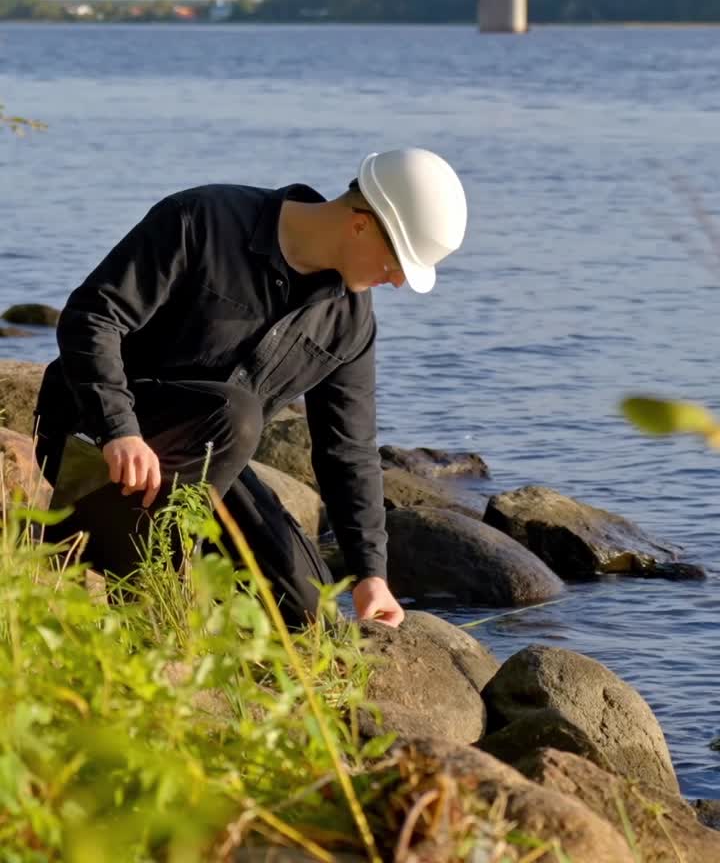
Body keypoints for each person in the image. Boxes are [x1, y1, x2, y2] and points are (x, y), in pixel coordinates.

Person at [34, 147, 467, 629]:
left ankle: (157, 567)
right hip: (92, 437)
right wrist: (119, 427)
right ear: (361, 222)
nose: (400, 280)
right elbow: (93, 317)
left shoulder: (349, 323)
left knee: (307, 607)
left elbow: (348, 451)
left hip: (210, 463)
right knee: (236, 413)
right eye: (399, 259)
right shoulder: (201, 219)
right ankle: (141, 579)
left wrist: (370, 574)